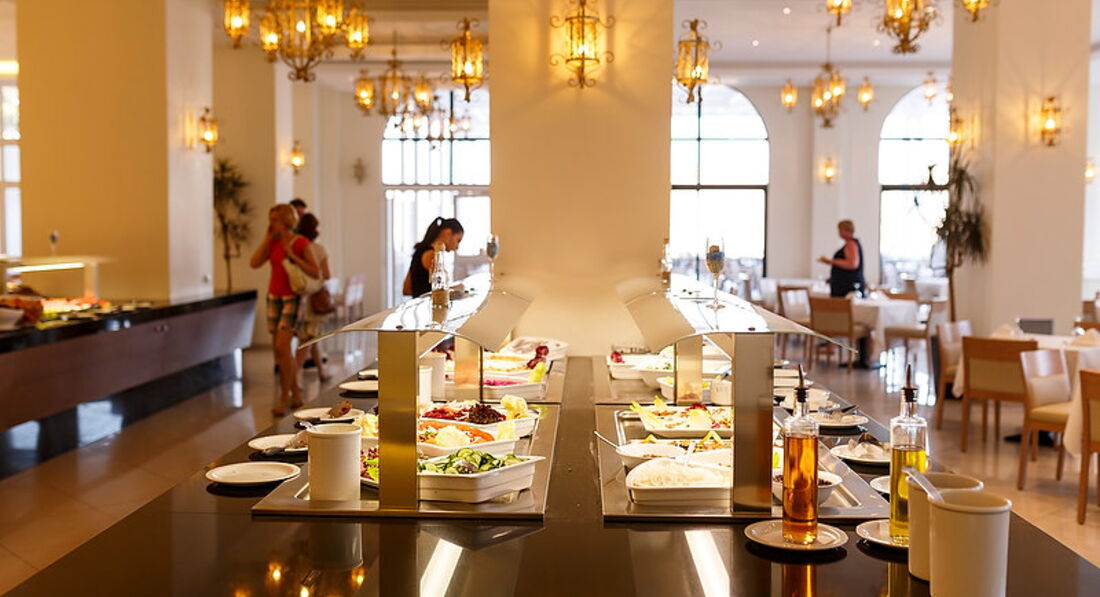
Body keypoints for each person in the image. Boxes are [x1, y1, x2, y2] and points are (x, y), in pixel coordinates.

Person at [250, 204, 320, 416]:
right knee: (279, 351)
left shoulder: (300, 242)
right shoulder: (273, 242)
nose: (271, 224)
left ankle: (284, 397)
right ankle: (296, 393)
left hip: (293, 298)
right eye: (270, 219)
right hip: (274, 298)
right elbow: (254, 263)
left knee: (282, 347)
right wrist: (266, 239)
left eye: (275, 220)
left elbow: (315, 272)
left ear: (287, 220)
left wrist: (293, 256)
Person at [295, 213, 332, 381]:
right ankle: (294, 376)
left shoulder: (297, 249)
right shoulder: (318, 249)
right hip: (315, 300)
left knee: (312, 336)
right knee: (308, 339)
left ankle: (321, 371)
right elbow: (327, 274)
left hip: (300, 297)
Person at [403, 217, 464, 297]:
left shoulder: (419, 251)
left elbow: (407, 289)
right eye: (458, 240)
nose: (457, 247)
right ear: (448, 233)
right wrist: (458, 288)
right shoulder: (432, 255)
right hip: (429, 304)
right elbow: (440, 291)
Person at [819, 219, 865, 298]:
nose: (839, 232)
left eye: (840, 230)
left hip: (848, 288)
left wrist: (830, 261)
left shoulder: (851, 244)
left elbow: (852, 264)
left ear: (847, 230)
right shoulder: (849, 244)